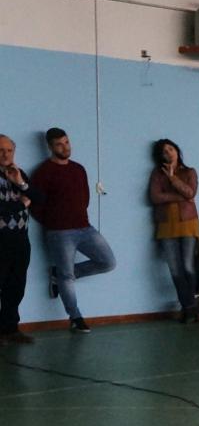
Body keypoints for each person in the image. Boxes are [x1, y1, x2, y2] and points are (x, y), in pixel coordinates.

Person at [29, 127, 116, 332]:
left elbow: (85, 197)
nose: (65, 147)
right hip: (59, 232)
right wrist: (53, 222)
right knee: (66, 277)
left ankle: (58, 275)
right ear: (50, 147)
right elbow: (35, 204)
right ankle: (75, 318)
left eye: (66, 142)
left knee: (108, 262)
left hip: (85, 227)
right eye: (59, 144)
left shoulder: (78, 169)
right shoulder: (43, 172)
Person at [148, 139, 199, 322]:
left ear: (177, 151)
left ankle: (190, 306)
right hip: (166, 225)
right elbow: (155, 197)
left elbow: (191, 193)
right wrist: (181, 197)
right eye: (164, 151)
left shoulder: (189, 172)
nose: (169, 153)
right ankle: (189, 307)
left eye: (171, 149)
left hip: (188, 223)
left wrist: (172, 178)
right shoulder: (157, 173)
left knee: (188, 266)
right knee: (175, 269)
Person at [0, 134, 44, 345]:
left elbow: (40, 198)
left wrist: (21, 184)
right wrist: (22, 204)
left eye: (9, 150)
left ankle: (10, 329)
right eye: (1, 150)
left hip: (19, 239)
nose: (5, 154)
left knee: (16, 286)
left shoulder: (18, 173)